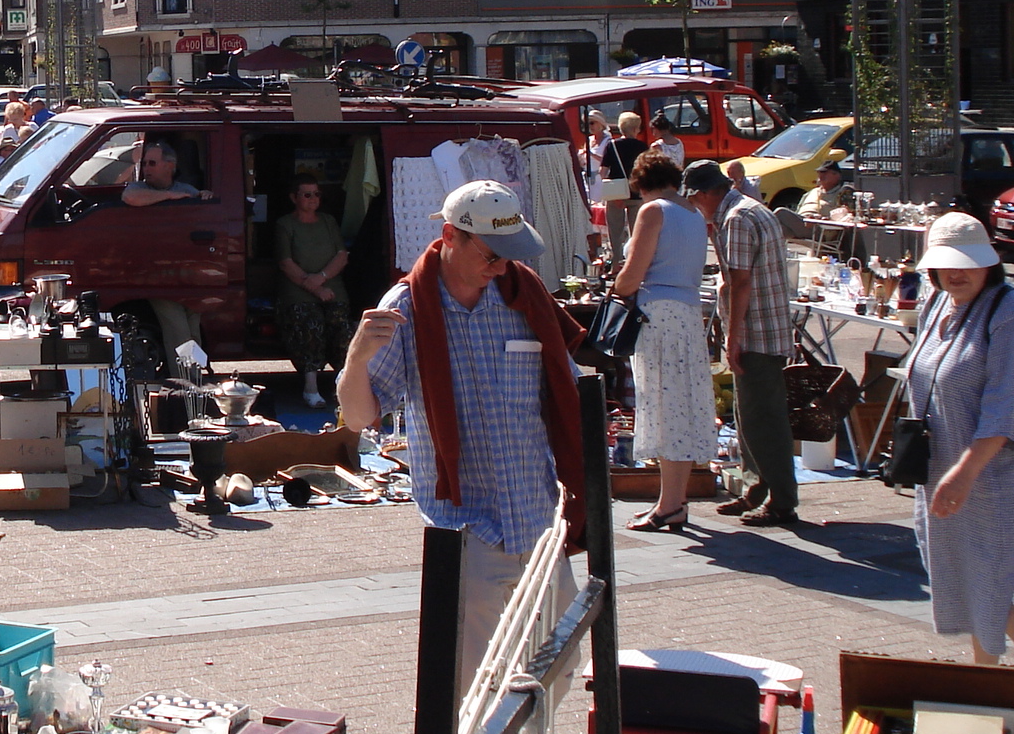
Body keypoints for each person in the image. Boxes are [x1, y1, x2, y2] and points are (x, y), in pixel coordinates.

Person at [337, 181, 587, 684]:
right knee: (470, 682)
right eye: (493, 255)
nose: (501, 268)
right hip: (467, 525)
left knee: (559, 664)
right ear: (451, 235)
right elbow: (360, 418)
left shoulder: (523, 295)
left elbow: (567, 388)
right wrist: (356, 360)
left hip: (536, 515)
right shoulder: (406, 308)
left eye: (509, 255)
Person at [907, 213, 1014, 677]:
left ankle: (987, 685)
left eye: (967, 264)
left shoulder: (1012, 314)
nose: (956, 273)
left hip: (995, 469)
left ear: (989, 262)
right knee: (964, 570)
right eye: (945, 265)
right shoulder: (938, 301)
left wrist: (966, 471)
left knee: (991, 572)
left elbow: (1010, 404)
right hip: (946, 462)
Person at [682, 158, 797, 526]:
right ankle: (755, 489)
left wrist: (733, 335)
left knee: (763, 418)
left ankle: (781, 499)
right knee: (748, 415)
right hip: (766, 327)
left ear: (704, 194)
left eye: (696, 200)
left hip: (758, 332)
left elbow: (740, 282)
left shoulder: (737, 218)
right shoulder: (749, 210)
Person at [611, 154, 715, 531]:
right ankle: (673, 500)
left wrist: (617, 285)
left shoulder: (653, 211)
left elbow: (633, 274)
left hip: (659, 314)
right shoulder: (692, 214)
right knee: (682, 405)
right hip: (687, 313)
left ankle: (670, 504)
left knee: (666, 405)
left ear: (643, 183)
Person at [124, 139, 217, 374]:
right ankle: (184, 387)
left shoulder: (186, 190)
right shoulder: (138, 188)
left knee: (193, 331)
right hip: (159, 277)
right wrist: (169, 198)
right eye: (145, 163)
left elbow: (200, 202)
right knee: (178, 333)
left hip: (187, 276)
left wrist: (204, 196)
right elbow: (131, 199)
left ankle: (195, 383)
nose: (146, 168)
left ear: (170, 165)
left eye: (152, 163)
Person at [276, 175, 350, 409]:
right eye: (307, 194)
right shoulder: (285, 224)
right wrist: (316, 288)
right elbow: (285, 262)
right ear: (294, 198)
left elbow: (342, 255)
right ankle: (311, 389)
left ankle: (344, 388)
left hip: (332, 289)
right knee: (310, 327)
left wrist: (322, 278)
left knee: (343, 332)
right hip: (299, 292)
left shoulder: (328, 221)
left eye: (317, 194)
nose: (313, 199)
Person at [600, 112, 649, 265]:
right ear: (636, 129)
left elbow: (603, 171)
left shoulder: (612, 145)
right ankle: (634, 262)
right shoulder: (642, 147)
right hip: (637, 191)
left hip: (617, 193)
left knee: (615, 231)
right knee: (637, 231)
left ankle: (616, 261)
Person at [775, 161, 856, 240]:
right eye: (819, 172)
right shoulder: (812, 192)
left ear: (837, 175)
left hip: (820, 229)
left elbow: (846, 217)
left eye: (824, 172)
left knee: (781, 212)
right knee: (778, 230)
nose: (820, 175)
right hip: (801, 224)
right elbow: (797, 211)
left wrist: (822, 219)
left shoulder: (843, 193)